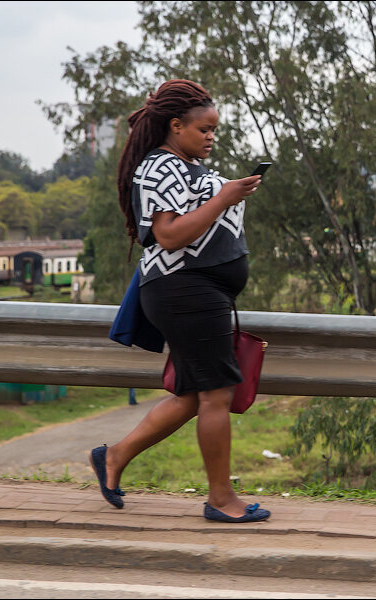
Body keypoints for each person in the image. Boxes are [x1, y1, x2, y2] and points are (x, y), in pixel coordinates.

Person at [90, 79, 269, 523]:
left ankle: (113, 457)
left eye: (214, 131)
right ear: (175, 125)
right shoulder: (157, 168)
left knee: (194, 395)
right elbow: (168, 236)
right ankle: (221, 499)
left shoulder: (187, 167)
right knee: (216, 396)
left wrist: (230, 193)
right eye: (204, 129)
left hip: (198, 292)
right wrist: (225, 196)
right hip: (183, 290)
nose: (211, 137)